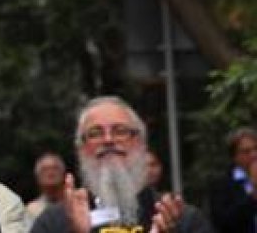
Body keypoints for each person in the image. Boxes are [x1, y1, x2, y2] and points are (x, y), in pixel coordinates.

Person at [31, 95, 211, 233]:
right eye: (95, 133)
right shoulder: (52, 224)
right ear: (80, 149)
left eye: (120, 131)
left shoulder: (182, 221)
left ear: (141, 143)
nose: (108, 140)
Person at [207, 126, 257, 233]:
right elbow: (222, 222)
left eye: (256, 148)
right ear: (234, 156)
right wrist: (253, 197)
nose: (254, 155)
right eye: (246, 151)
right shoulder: (222, 183)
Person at [28, 153, 69, 226]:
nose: (50, 173)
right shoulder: (31, 210)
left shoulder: (76, 204)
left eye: (55, 168)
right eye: (45, 169)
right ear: (38, 178)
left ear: (64, 175)